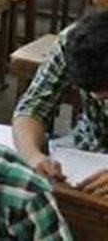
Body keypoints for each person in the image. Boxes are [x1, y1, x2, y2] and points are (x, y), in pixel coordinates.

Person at [13, 10, 108, 199]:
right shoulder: (75, 42)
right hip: (87, 148)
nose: (97, 98)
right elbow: (33, 106)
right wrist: (32, 156)